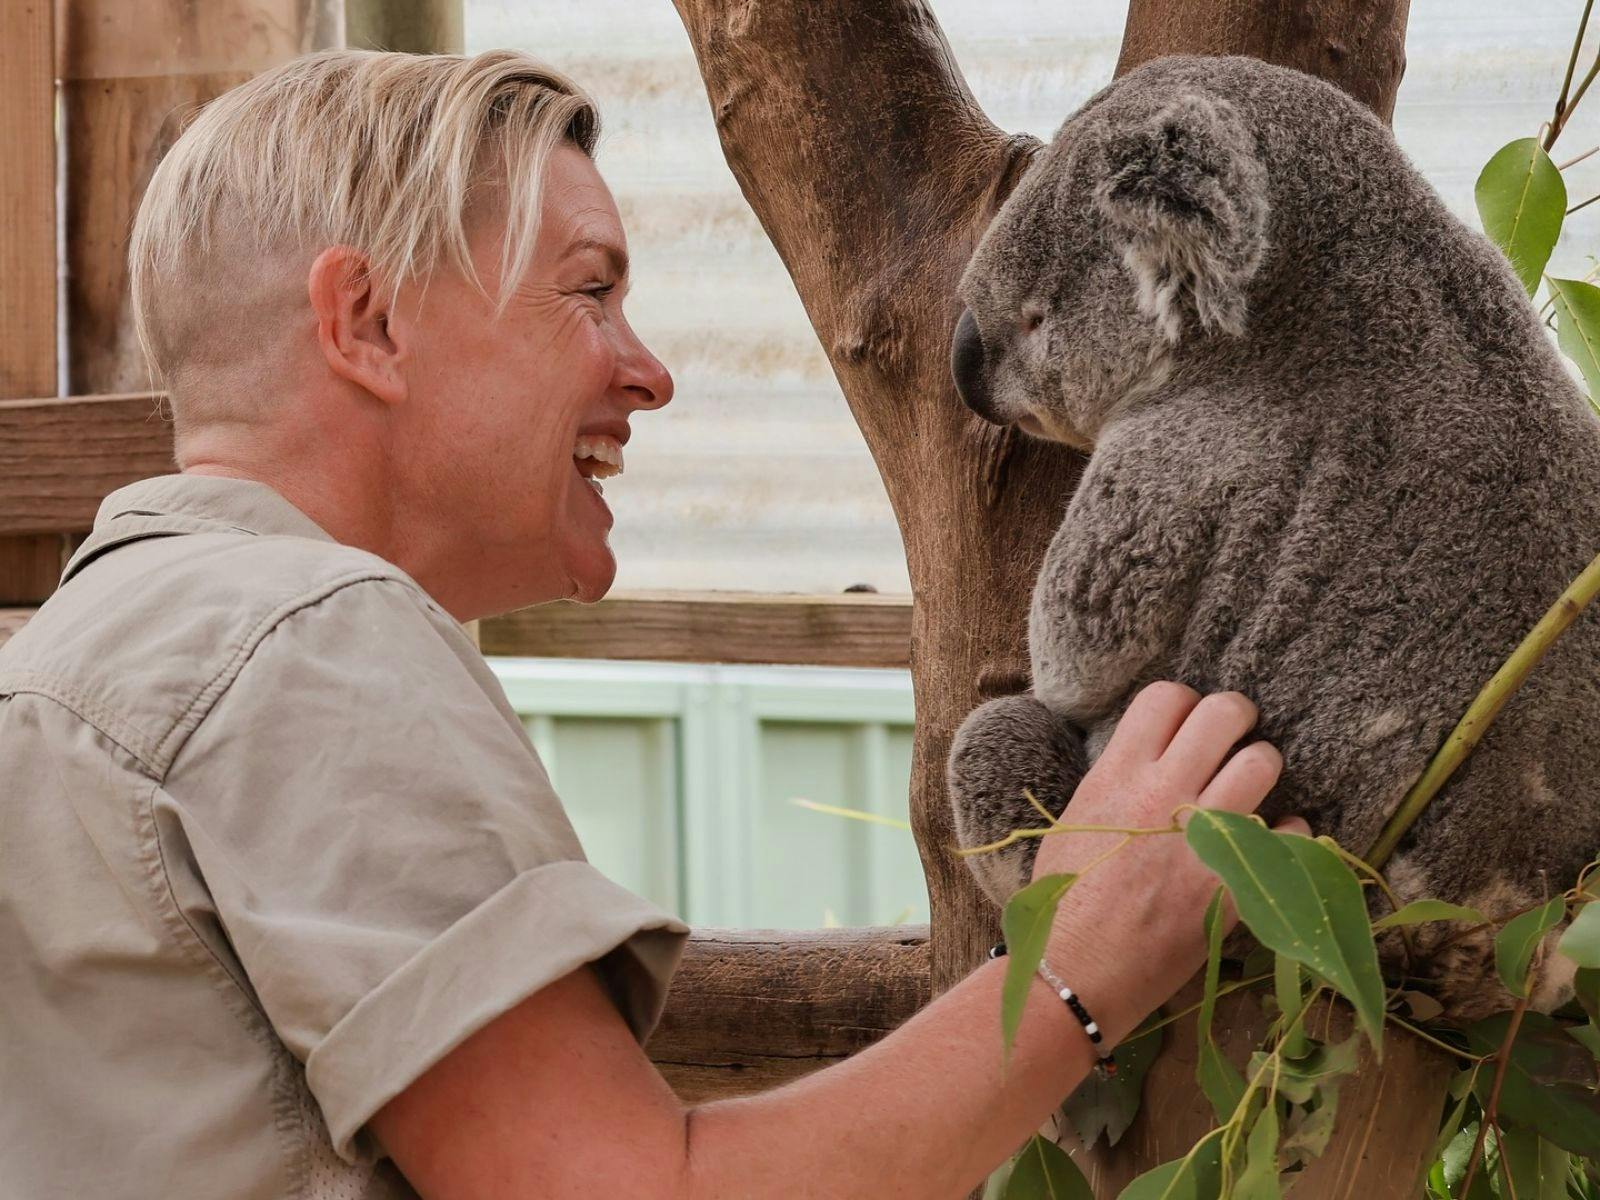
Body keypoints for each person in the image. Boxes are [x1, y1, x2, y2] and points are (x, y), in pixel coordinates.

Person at [0, 49, 1304, 1199]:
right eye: (589, 291)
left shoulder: (81, 653)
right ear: (370, 323)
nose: (653, 369)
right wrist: (1086, 958)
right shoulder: (307, 646)